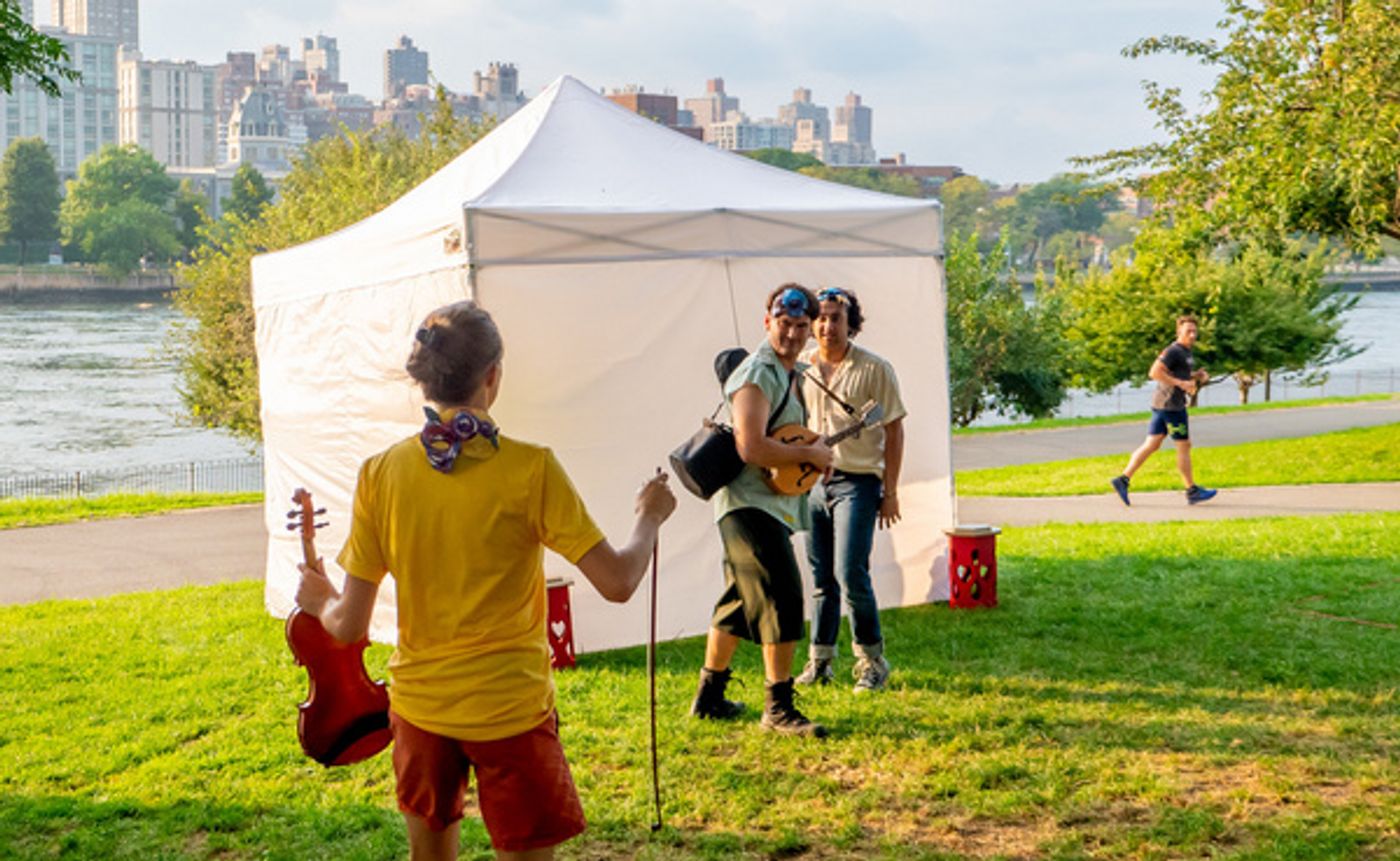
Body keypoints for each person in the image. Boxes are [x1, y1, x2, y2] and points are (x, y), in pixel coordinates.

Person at [294, 300, 676, 861]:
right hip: (512, 712)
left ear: (423, 378)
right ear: (492, 376)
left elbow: (346, 626)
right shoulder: (531, 468)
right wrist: (649, 515)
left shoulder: (380, 473)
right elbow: (618, 581)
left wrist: (321, 597)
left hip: (421, 711)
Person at [688, 284, 834, 738]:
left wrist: (811, 458)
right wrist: (816, 456)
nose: (791, 333)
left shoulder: (790, 372)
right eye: (784, 324)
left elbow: (781, 441)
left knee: (737, 603)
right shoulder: (757, 373)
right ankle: (778, 708)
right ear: (766, 322)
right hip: (747, 505)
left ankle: (709, 697)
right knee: (784, 597)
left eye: (800, 326)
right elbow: (750, 446)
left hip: (768, 505)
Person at [794, 287, 906, 693]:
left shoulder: (875, 368)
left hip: (857, 482)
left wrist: (889, 491)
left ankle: (872, 662)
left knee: (850, 572)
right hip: (812, 484)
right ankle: (820, 661)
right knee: (822, 576)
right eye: (820, 318)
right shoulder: (802, 367)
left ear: (851, 323)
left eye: (835, 318)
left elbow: (894, 429)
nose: (827, 326)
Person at [1110, 314, 1217, 506]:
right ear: (1179, 332)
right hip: (1172, 407)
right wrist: (1182, 384)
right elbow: (1154, 372)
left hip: (1163, 405)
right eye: (1188, 331)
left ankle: (1122, 480)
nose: (1192, 335)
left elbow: (1176, 373)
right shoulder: (1173, 351)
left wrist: (1195, 375)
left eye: (1194, 331)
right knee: (1184, 446)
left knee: (1152, 444)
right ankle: (1192, 491)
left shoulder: (1185, 351)